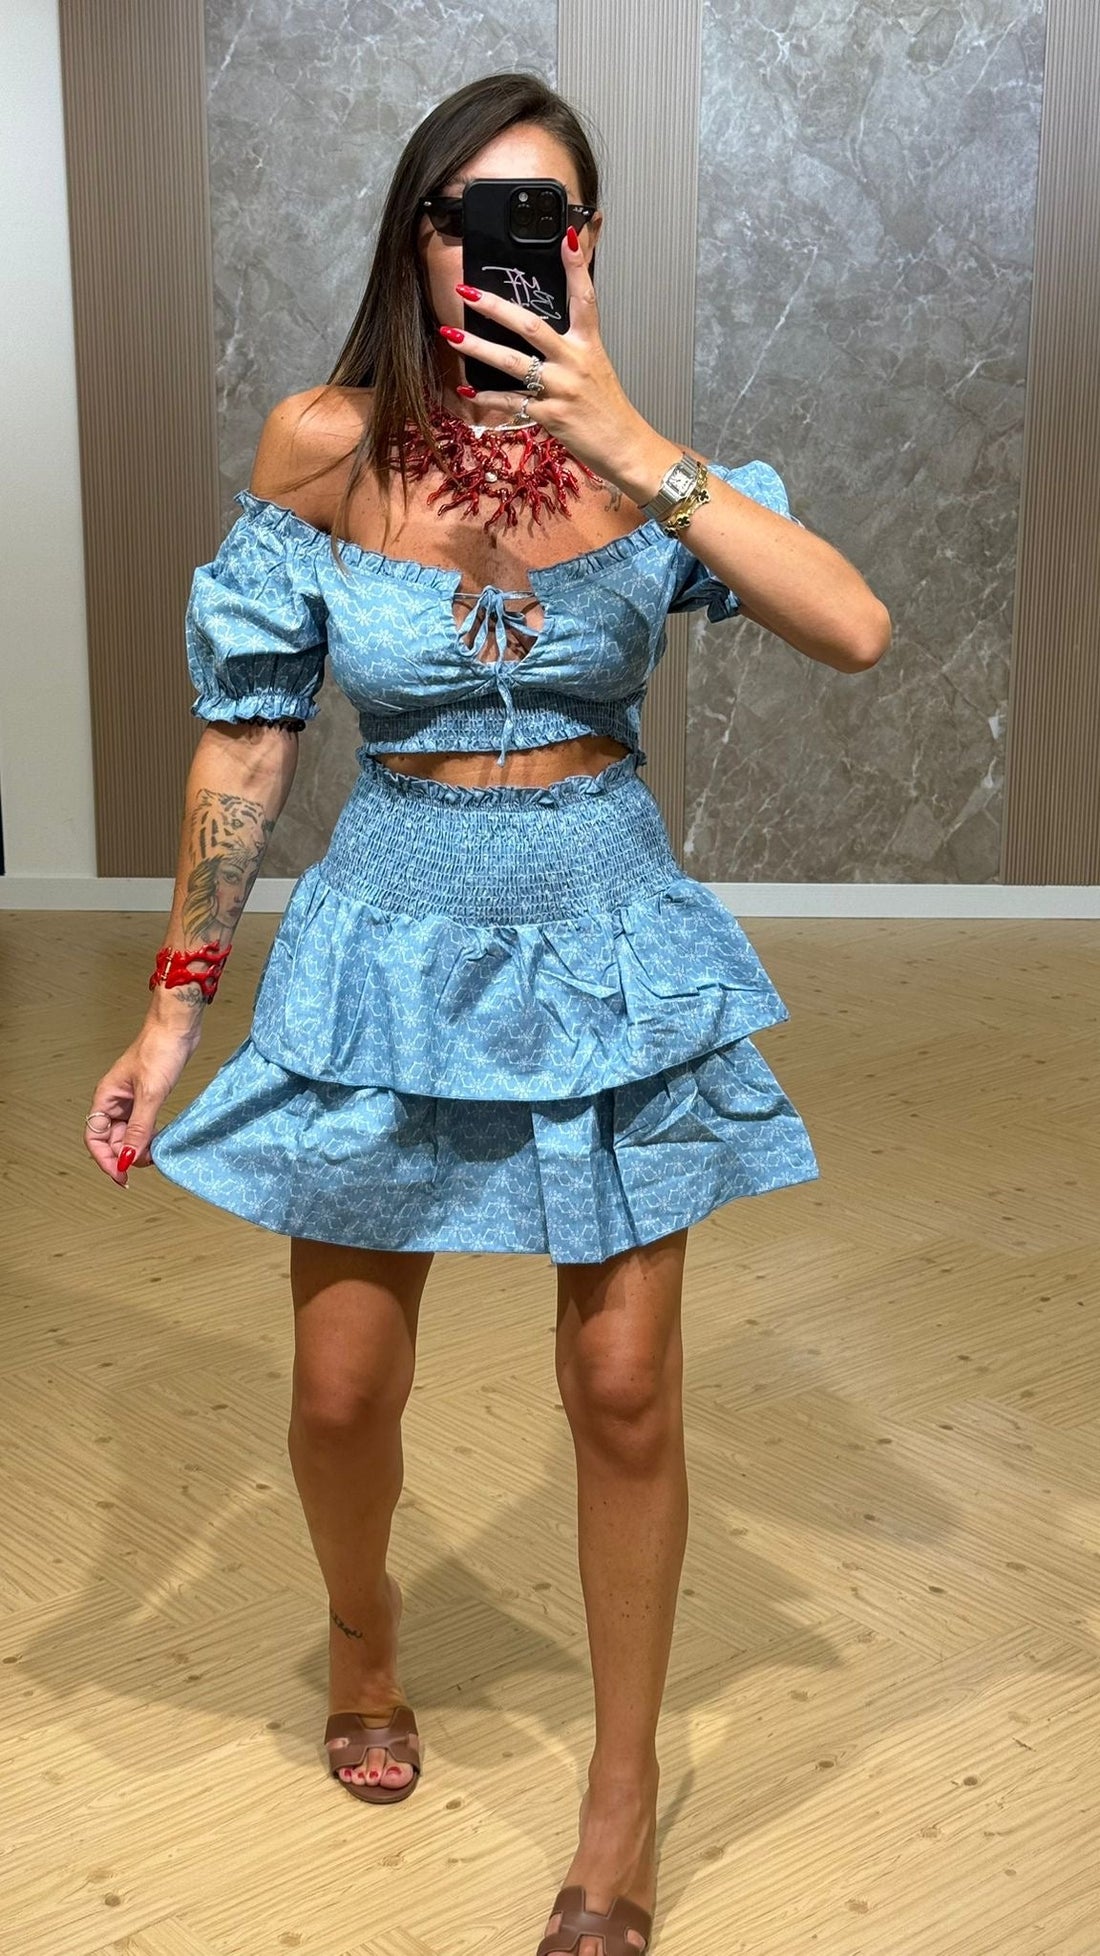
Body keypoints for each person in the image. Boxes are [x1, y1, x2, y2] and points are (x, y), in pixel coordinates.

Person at [83, 71, 888, 1956]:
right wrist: (171, 1014)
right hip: (386, 948)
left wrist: (631, 438)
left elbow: (853, 628)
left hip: (607, 944)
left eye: (545, 216)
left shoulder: (637, 458)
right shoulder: (326, 446)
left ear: (583, 248)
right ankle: (362, 1637)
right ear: (417, 236)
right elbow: (247, 740)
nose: (502, 248)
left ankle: (619, 1804)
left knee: (622, 1386)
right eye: (468, 213)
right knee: (341, 1389)